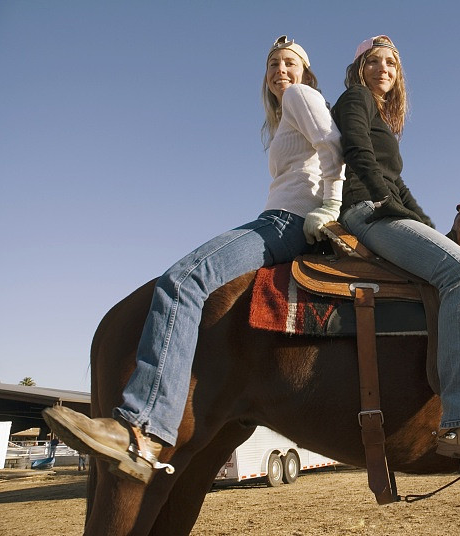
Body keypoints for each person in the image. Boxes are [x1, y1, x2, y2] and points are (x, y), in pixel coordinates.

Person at [43, 35, 345, 483]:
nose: (279, 71)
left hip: (286, 221)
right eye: (271, 65)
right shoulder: (281, 119)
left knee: (183, 282)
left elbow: (333, 144)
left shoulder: (303, 96)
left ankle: (142, 429)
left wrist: (330, 207)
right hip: (278, 215)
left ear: (304, 72)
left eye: (288, 63)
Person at [331, 36, 460, 461]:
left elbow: (399, 184)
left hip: (386, 208)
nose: (384, 68)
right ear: (359, 68)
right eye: (374, 61)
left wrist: (425, 226)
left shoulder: (384, 122)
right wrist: (383, 201)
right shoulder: (355, 98)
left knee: (458, 263)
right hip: (365, 211)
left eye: (392, 63)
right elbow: (357, 153)